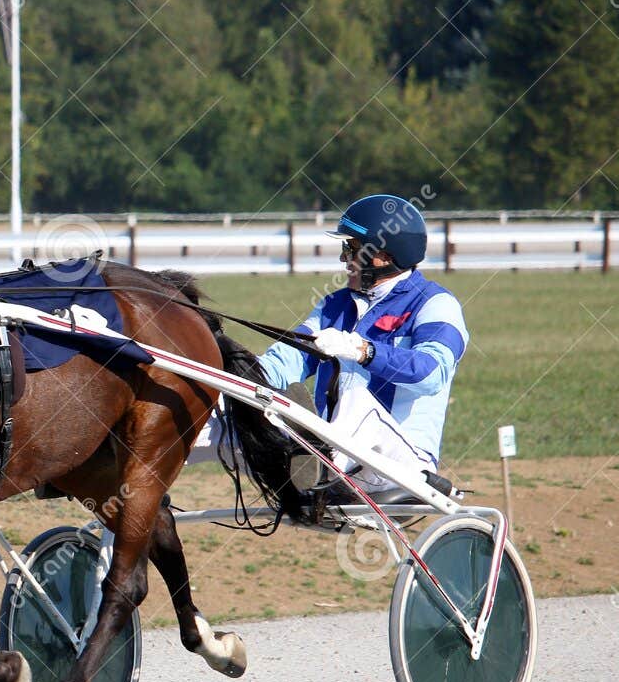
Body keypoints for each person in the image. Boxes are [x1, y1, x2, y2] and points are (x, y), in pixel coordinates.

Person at [190, 194, 469, 498]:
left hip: (400, 465)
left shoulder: (435, 304)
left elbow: (433, 374)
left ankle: (315, 463)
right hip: (330, 452)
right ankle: (142, 465)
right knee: (229, 413)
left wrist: (364, 351)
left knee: (355, 400)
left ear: (385, 256)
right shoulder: (334, 306)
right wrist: (225, 377)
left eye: (351, 249)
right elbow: (286, 360)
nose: (343, 260)